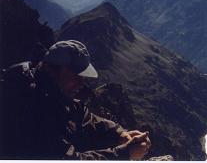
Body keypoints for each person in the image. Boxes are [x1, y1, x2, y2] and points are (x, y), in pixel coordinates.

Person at [0, 40, 151, 160]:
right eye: (74, 76)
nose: (81, 83)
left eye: (82, 77)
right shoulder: (30, 104)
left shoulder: (54, 90)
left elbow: (85, 117)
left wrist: (119, 134)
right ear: (51, 70)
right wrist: (124, 154)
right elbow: (65, 158)